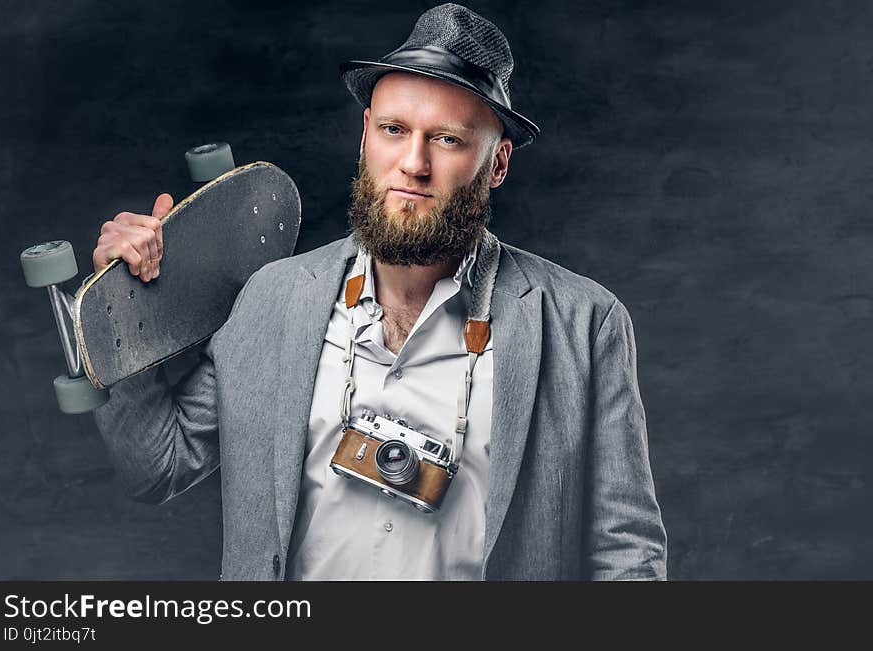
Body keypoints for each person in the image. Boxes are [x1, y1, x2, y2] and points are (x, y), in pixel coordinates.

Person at [92, 3, 667, 580]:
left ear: (497, 163)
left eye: (447, 139)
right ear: (365, 133)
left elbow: (626, 554)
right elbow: (157, 468)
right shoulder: (272, 300)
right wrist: (129, 312)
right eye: (395, 130)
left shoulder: (583, 324)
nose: (413, 163)